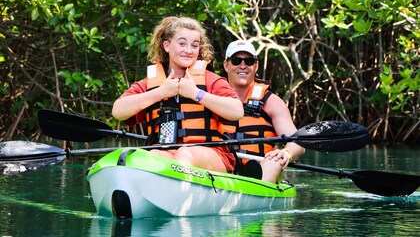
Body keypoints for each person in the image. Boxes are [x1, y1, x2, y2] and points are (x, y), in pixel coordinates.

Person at [112, 16, 244, 173]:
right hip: (166, 151)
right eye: (182, 44)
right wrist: (161, 92)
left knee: (185, 153)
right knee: (154, 154)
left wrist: (196, 93)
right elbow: (118, 111)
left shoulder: (210, 80)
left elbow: (237, 111)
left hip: (211, 153)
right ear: (167, 46)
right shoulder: (150, 84)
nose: (188, 50)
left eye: (194, 46)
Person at [223, 40, 305, 183]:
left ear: (255, 66)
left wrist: (286, 152)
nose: (242, 66)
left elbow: (298, 142)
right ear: (226, 65)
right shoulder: (213, 98)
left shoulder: (272, 102)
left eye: (248, 61)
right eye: (236, 60)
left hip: (261, 166)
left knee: (274, 161)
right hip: (223, 165)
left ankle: (257, 190)